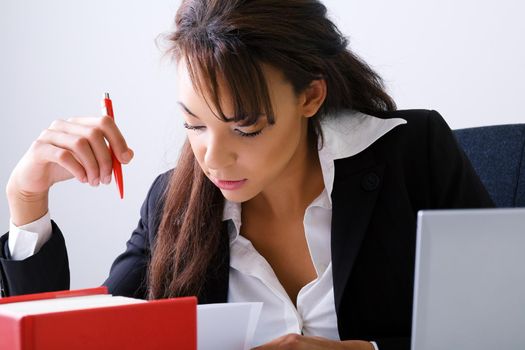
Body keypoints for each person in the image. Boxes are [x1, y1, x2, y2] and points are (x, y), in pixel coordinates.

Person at [0, 1, 494, 349]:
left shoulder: (413, 153)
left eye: (246, 127)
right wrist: (27, 198)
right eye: (194, 124)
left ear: (310, 97)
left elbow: (500, 327)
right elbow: (90, 336)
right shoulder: (172, 201)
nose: (214, 158)